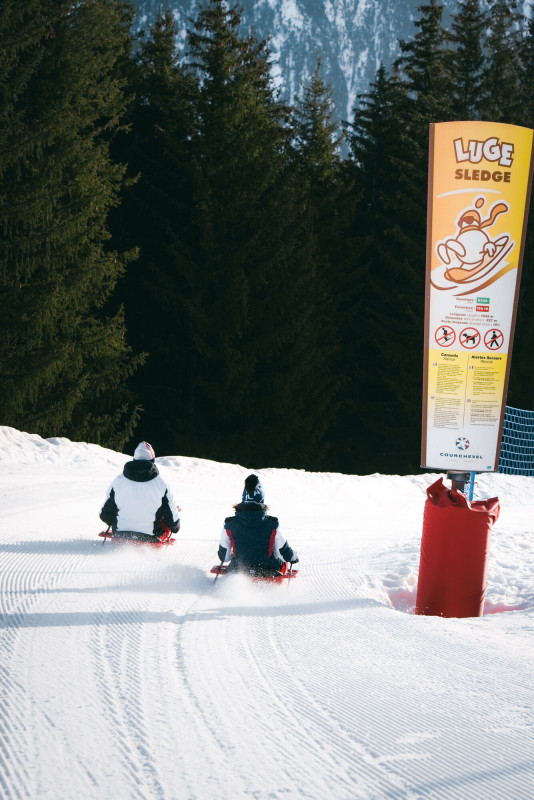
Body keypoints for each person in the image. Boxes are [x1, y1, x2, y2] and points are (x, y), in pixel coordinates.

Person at [217, 474, 298, 575]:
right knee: (283, 563)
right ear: (261, 498)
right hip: (267, 571)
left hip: (238, 569)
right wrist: (292, 557)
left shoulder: (229, 523)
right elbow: (283, 552)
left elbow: (224, 557)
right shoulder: (272, 524)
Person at [100, 441, 181, 542]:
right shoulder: (161, 483)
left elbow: (104, 515)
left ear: (134, 459)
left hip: (120, 533)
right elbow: (173, 523)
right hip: (151, 537)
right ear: (152, 460)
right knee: (165, 517)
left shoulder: (118, 481)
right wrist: (175, 525)